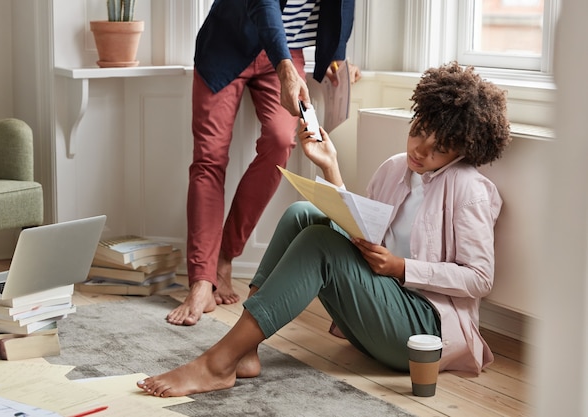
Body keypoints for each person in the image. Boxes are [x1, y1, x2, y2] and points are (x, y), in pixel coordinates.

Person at [139, 61, 511, 397]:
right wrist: (330, 167)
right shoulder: (396, 168)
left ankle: (218, 364)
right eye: (420, 130)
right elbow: (361, 234)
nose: (420, 149)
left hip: (422, 333)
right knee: (302, 213)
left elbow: (479, 278)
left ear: (462, 152)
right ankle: (245, 349)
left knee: (319, 243)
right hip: (382, 308)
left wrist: (401, 268)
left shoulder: (469, 189)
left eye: (439, 148)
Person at [168, 0, 362, 326]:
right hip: (226, 46)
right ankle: (201, 280)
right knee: (209, 159)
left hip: (287, 51)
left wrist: (337, 55)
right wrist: (285, 68)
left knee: (281, 140)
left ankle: (225, 257)